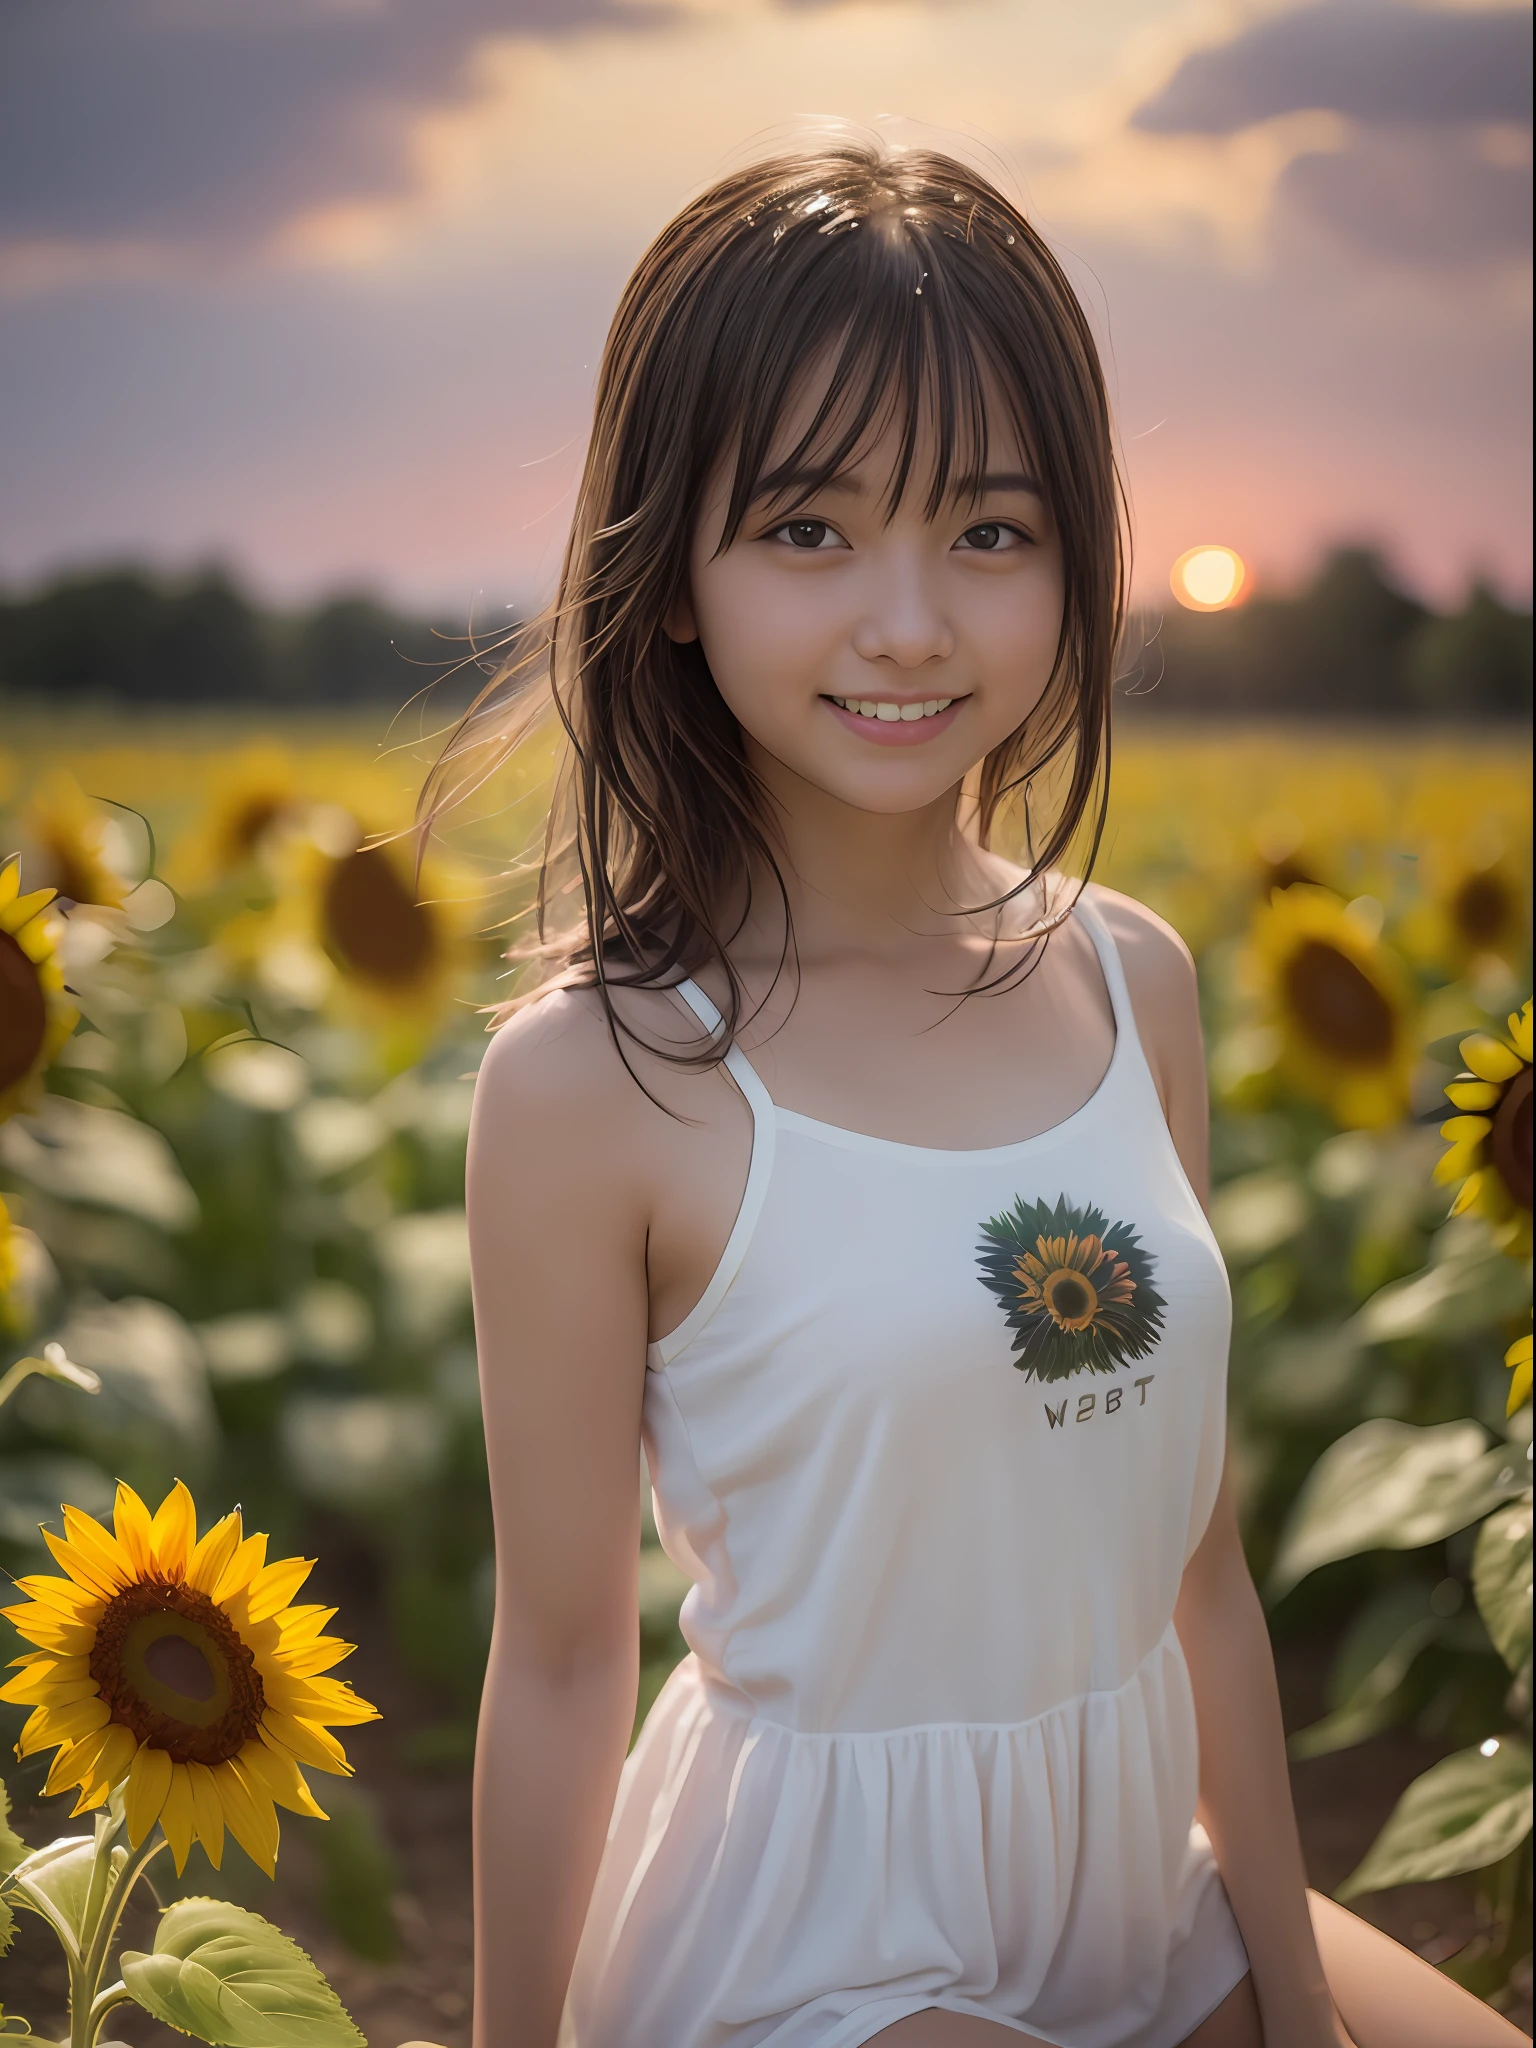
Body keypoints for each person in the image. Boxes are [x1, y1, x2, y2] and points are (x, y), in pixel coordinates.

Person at [441, 140, 1527, 2048]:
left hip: (1132, 1874)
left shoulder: (1136, 984)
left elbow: (1202, 1580)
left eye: (991, 531)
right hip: (822, 1946)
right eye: (808, 532)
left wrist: (1287, 1985)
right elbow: (553, 1664)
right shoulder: (598, 1080)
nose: (910, 621)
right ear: (669, 576)